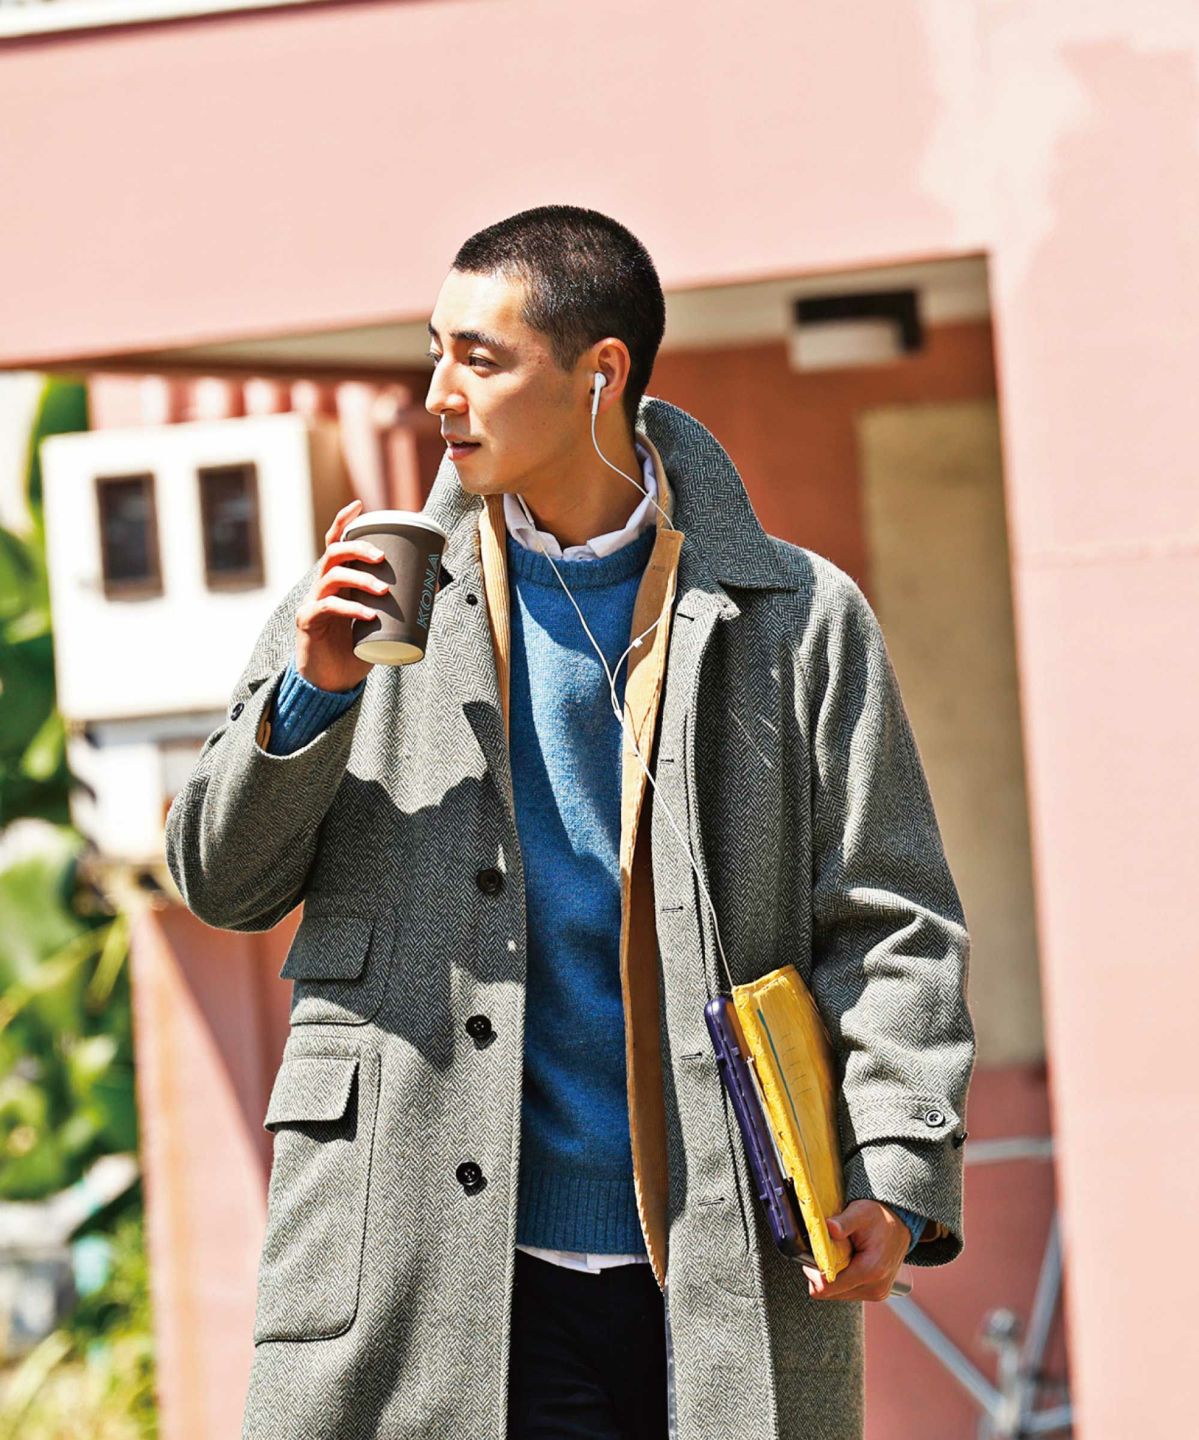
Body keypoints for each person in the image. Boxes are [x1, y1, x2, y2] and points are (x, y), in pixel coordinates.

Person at [166, 204, 974, 1440]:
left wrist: (897, 1166)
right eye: (434, 352)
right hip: (429, 1267)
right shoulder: (366, 599)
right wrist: (313, 692)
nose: (439, 394)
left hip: (717, 1265)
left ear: (601, 372)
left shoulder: (797, 617)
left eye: (480, 359)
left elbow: (892, 918)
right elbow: (220, 882)